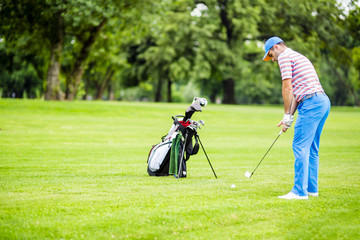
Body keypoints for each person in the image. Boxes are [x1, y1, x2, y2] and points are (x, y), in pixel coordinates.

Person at [262, 36, 331, 200]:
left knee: (300, 146)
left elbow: (287, 86)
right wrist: (289, 117)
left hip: (311, 104)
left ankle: (299, 192)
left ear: (276, 47)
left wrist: (286, 114)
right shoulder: (297, 56)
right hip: (322, 101)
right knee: (312, 148)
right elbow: (296, 95)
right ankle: (312, 190)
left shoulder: (284, 57)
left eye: (271, 55)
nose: (272, 60)